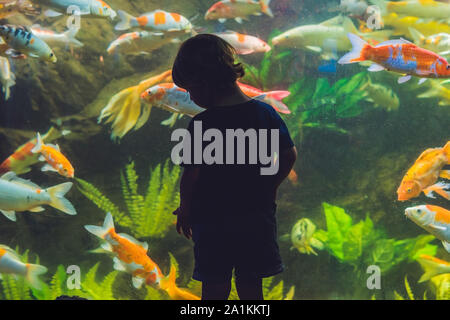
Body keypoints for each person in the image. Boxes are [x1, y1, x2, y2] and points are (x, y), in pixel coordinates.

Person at [171, 34, 297, 300]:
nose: (191, 97)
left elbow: (191, 175)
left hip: (213, 221)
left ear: (204, 82)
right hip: (255, 218)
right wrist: (269, 185)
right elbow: (289, 156)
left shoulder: (202, 124)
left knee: (214, 285)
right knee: (251, 285)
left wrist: (185, 208)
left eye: (190, 90)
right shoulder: (266, 114)